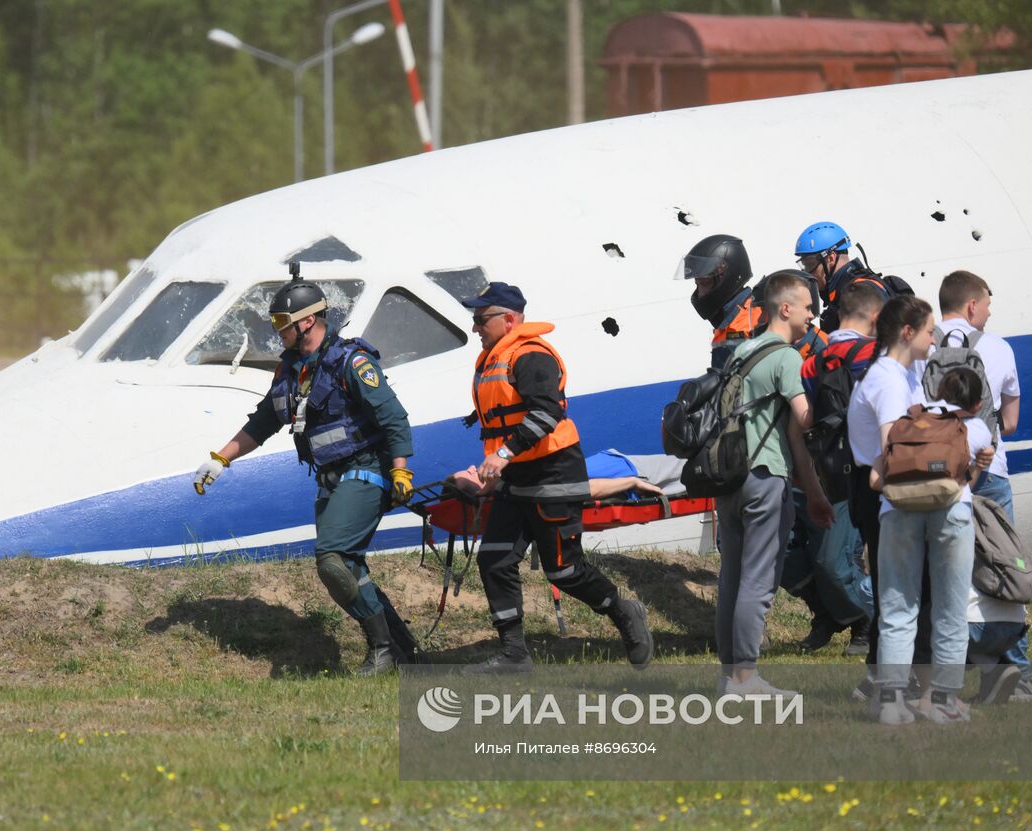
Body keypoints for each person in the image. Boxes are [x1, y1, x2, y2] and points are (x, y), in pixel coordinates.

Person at [193, 271, 417, 676]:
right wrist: (220, 459)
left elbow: (394, 420)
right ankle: (404, 651)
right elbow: (264, 422)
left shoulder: (352, 362)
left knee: (332, 560)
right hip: (329, 477)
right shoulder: (289, 371)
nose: (278, 332)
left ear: (307, 321)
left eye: (282, 323)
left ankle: (383, 650)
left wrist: (401, 472)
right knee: (349, 568)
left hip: (366, 471)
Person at [460, 282, 654, 674]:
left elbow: (546, 414)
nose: (476, 328)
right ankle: (514, 654)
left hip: (553, 475)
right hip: (518, 478)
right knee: (495, 560)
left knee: (564, 571)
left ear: (508, 319)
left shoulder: (531, 356)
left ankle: (624, 611)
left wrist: (503, 454)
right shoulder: (494, 357)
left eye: (481, 320)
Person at [851, 297, 993, 724]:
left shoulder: (899, 378)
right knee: (949, 608)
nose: (935, 342)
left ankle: (893, 701)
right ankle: (943, 700)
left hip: (895, 507)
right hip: (944, 503)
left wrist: (879, 479)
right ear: (907, 332)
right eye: (930, 332)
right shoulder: (893, 381)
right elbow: (898, 454)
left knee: (897, 607)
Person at [715, 271, 833, 696]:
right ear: (785, 308)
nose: (812, 317)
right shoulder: (784, 357)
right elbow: (804, 422)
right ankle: (745, 678)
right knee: (758, 580)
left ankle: (728, 675)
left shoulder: (738, 351)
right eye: (807, 308)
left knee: (732, 577)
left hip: (727, 478)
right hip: (764, 476)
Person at [933, 270, 1032, 700]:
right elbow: (1011, 422)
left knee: (942, 572)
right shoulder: (998, 347)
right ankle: (1016, 674)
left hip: (941, 474)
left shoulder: (923, 345)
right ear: (972, 305)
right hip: (990, 471)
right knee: (1004, 565)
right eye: (988, 306)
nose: (989, 314)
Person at [787, 281, 884, 654]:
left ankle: (866, 625)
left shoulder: (823, 359)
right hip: (830, 470)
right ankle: (836, 614)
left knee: (835, 560)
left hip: (858, 472)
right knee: (797, 556)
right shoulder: (821, 360)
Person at [794, 221, 910, 333]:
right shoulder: (842, 291)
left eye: (810, 264)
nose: (807, 272)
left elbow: (862, 348)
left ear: (831, 258)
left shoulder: (859, 294)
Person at [677, 234, 762, 371]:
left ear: (726, 276)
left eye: (705, 283)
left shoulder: (758, 318)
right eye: (697, 284)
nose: (700, 294)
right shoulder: (725, 321)